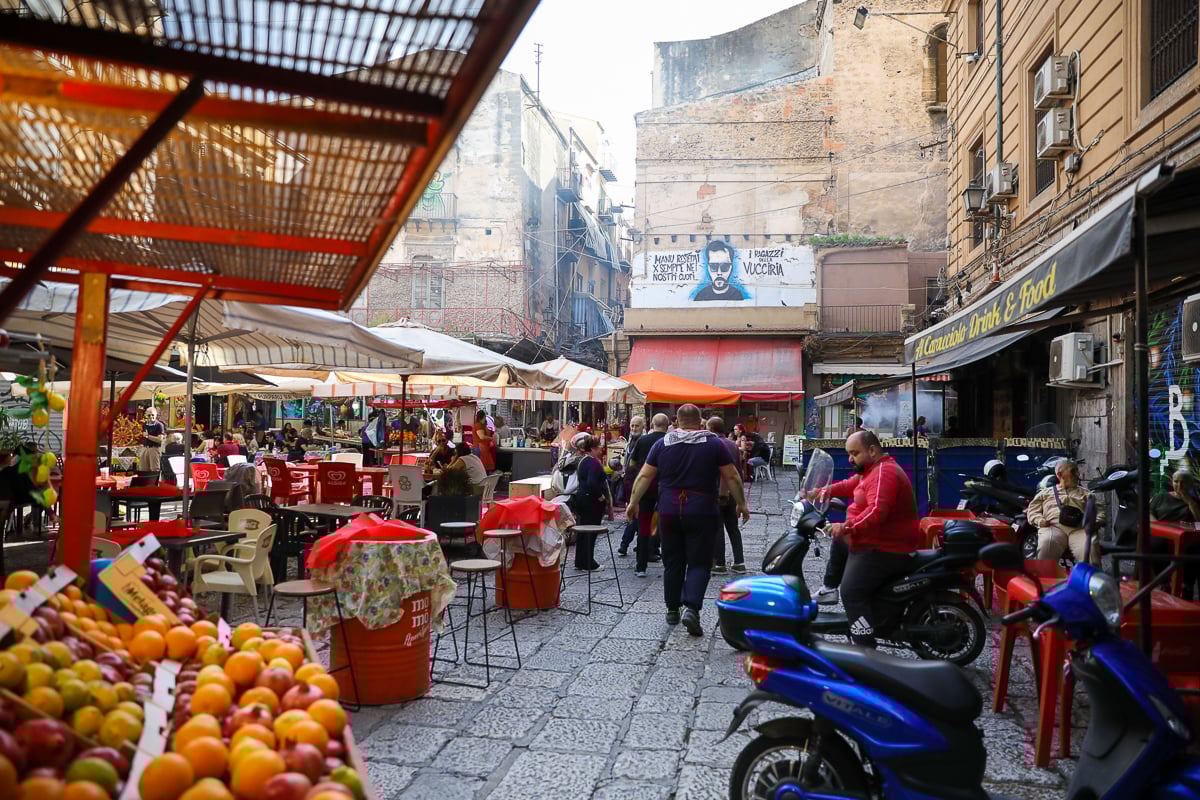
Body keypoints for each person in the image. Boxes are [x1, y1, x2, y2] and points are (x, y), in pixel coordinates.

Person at [626, 404, 748, 636]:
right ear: (700, 421)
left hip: (669, 510)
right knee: (699, 562)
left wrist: (633, 502)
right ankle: (692, 608)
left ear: (678, 422)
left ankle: (672, 609)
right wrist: (741, 504)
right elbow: (731, 475)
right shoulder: (714, 444)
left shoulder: (663, 444)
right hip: (702, 510)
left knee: (673, 561)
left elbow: (644, 475)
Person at [823, 430, 920, 647]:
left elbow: (877, 511)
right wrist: (820, 492)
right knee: (839, 542)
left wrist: (846, 526)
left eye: (854, 453)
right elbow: (849, 485)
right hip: (872, 540)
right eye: (849, 454)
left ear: (873, 450)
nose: (850, 459)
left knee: (851, 592)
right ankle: (829, 588)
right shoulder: (870, 470)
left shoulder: (884, 472)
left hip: (886, 546)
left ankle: (865, 646)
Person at [1026, 460, 1095, 564]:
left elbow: (1099, 512)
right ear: (1059, 474)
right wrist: (1040, 521)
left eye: (1077, 471)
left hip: (1079, 529)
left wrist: (1095, 523)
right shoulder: (1045, 493)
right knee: (1048, 543)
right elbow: (1032, 511)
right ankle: (1046, 578)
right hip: (1053, 528)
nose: (1078, 474)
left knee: (1089, 547)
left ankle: (1091, 578)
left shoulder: (1086, 494)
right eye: (1073, 471)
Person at [624, 414, 669, 574]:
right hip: (665, 489)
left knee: (643, 526)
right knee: (666, 525)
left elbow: (633, 464)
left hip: (645, 489)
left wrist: (632, 494)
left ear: (652, 424)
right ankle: (669, 564)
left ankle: (641, 566)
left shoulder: (642, 441)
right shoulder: (670, 441)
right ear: (667, 424)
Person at [1150, 469, 1200, 600]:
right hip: (1163, 534)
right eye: (1176, 482)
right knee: (1155, 544)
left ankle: (1187, 585)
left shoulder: (1195, 501)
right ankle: (1163, 582)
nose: (1179, 486)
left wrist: (1189, 502)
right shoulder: (1161, 497)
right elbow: (1148, 513)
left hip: (1185, 537)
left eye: (1183, 483)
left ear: (1190, 485)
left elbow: (1198, 520)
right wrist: (1158, 525)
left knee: (1193, 548)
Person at [566, 433, 612, 571]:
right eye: (598, 448)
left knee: (582, 531)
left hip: (582, 498)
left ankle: (580, 560)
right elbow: (592, 483)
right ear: (592, 449)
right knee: (590, 533)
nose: (600, 451)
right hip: (591, 501)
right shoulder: (593, 463)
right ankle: (588, 562)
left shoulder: (583, 461)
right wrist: (601, 497)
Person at [706, 416, 746, 574]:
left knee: (717, 528)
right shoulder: (732, 444)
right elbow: (738, 470)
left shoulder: (711, 445)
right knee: (733, 528)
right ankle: (739, 562)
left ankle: (720, 564)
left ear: (710, 428)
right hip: (732, 491)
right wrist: (740, 497)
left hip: (716, 491)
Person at [617, 415, 646, 556]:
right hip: (629, 483)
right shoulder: (630, 441)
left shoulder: (642, 441)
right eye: (632, 426)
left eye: (637, 426)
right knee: (635, 515)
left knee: (635, 515)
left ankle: (626, 544)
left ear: (643, 426)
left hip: (639, 483)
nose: (634, 428)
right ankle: (636, 545)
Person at [141, 406, 165, 475]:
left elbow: (160, 439)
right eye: (149, 415)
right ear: (146, 415)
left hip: (154, 448)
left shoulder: (159, 425)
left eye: (153, 415)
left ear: (156, 415)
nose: (151, 416)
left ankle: (156, 484)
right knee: (143, 469)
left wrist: (148, 436)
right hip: (145, 448)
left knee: (154, 469)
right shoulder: (145, 424)